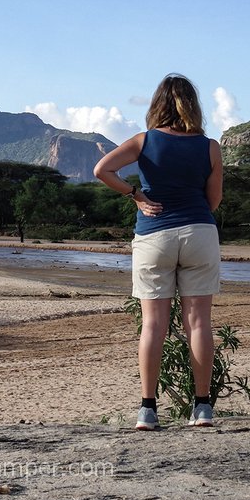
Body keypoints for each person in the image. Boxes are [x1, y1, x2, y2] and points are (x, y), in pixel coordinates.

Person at [93, 73, 223, 431]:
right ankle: (202, 408)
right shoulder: (210, 146)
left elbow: (102, 169)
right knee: (199, 322)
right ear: (192, 105)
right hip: (199, 231)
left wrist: (135, 194)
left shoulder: (143, 141)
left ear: (156, 105)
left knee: (153, 324)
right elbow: (213, 201)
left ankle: (147, 410)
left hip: (154, 236)